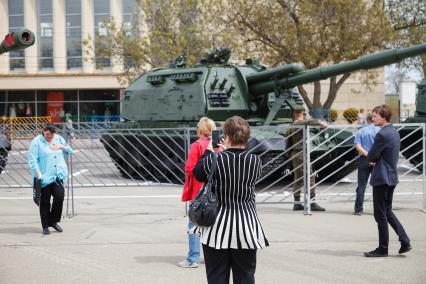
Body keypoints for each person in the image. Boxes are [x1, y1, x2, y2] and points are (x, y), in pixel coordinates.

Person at [192, 116, 269, 284]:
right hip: (247, 227)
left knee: (217, 276)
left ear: (226, 136)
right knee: (246, 276)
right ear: (246, 137)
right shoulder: (255, 161)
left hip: (216, 227)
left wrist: (211, 150)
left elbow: (197, 173)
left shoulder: (215, 160)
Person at [364, 104, 411, 257]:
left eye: (376, 115)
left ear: (383, 117)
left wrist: (374, 160)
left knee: (380, 215)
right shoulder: (394, 132)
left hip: (382, 178)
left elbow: (371, 155)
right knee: (387, 211)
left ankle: (383, 249)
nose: (373, 118)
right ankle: (404, 240)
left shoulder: (382, 134)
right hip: (391, 177)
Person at [178, 117, 216, 268]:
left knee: (194, 223)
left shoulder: (197, 145)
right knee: (213, 223)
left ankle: (193, 258)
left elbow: (189, 168)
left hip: (199, 190)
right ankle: (212, 257)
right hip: (217, 190)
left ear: (200, 130)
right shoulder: (219, 145)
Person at [28, 123, 73, 235]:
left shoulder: (58, 139)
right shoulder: (36, 142)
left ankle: (53, 221)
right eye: (47, 134)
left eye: (51, 135)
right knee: (45, 201)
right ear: (43, 131)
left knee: (59, 197)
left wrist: (61, 147)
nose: (49, 137)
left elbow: (69, 151)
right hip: (43, 176)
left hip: (57, 175)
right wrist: (39, 175)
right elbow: (32, 160)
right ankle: (45, 226)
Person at [285, 108, 327, 211]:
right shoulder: (300, 123)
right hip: (301, 153)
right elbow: (311, 121)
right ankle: (312, 203)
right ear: (301, 113)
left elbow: (287, 143)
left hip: (295, 153)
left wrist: (288, 155)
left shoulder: (290, 127)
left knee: (298, 178)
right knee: (310, 177)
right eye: (303, 113)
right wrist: (321, 123)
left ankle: (297, 202)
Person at [353, 112, 380, 215]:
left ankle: (358, 209)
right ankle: (378, 210)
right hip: (377, 159)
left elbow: (358, 147)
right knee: (377, 186)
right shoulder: (380, 131)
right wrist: (374, 156)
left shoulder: (361, 131)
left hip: (364, 159)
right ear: (373, 119)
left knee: (361, 186)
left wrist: (367, 155)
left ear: (367, 120)